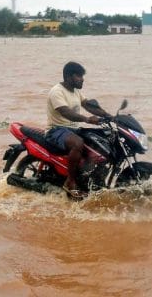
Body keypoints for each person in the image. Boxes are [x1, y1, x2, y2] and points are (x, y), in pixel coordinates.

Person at [45, 61, 110, 200]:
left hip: (74, 129)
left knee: (102, 143)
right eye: (79, 76)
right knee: (78, 143)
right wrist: (87, 119)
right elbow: (65, 112)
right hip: (56, 130)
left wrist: (109, 115)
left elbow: (88, 105)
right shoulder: (57, 91)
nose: (82, 79)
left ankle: (92, 180)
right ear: (68, 77)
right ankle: (70, 181)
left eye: (82, 76)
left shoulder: (76, 91)